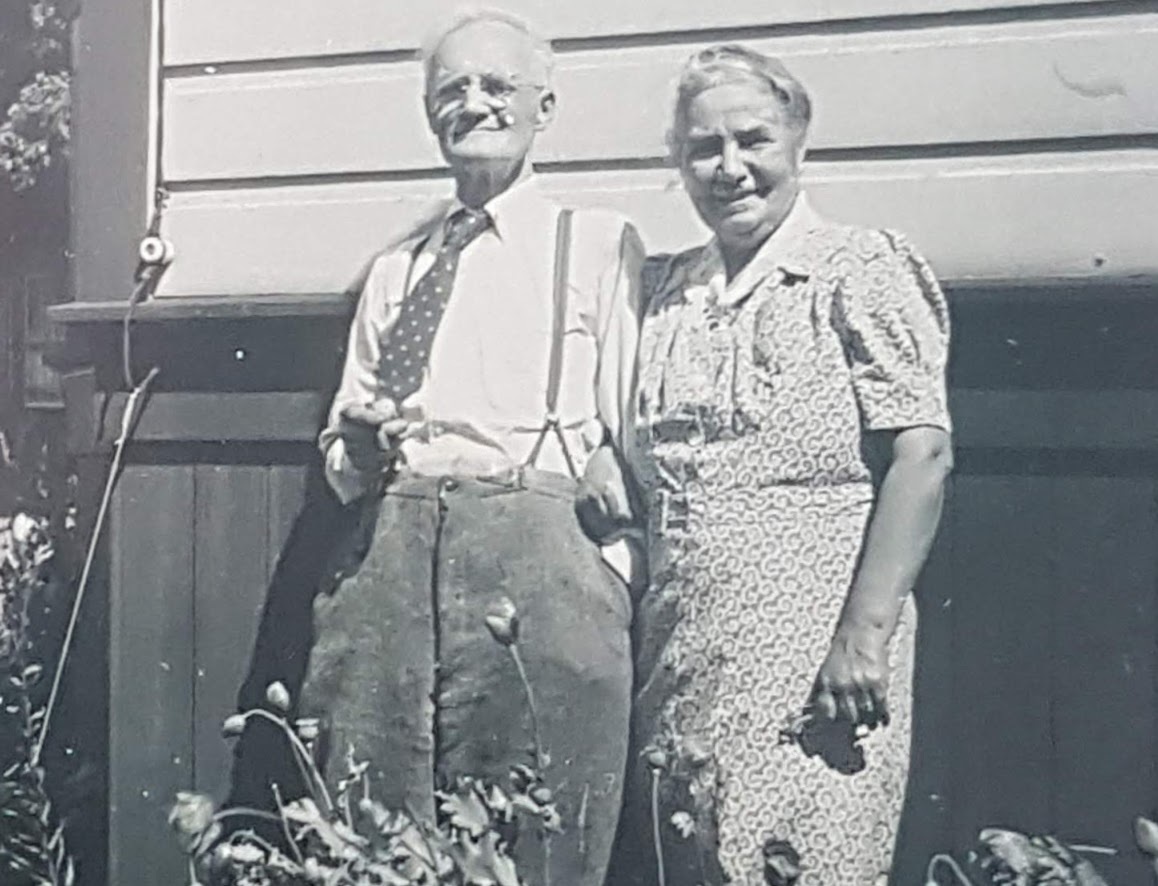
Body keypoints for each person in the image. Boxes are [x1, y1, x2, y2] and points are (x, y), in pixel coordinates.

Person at [292, 11, 644, 886]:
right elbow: (342, 460)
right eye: (452, 90)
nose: (474, 104)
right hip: (392, 553)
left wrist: (611, 573)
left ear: (544, 106)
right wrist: (365, 451)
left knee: (532, 834)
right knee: (373, 828)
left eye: (497, 86)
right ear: (429, 114)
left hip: (540, 554)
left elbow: (634, 432)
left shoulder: (597, 244)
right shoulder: (396, 269)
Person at [614, 44, 953, 886]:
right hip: (684, 646)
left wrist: (862, 640)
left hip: (816, 653)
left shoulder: (858, 267)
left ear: (799, 142)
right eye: (703, 148)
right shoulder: (666, 292)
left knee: (805, 863)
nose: (729, 168)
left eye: (753, 141)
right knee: (689, 856)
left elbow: (923, 454)